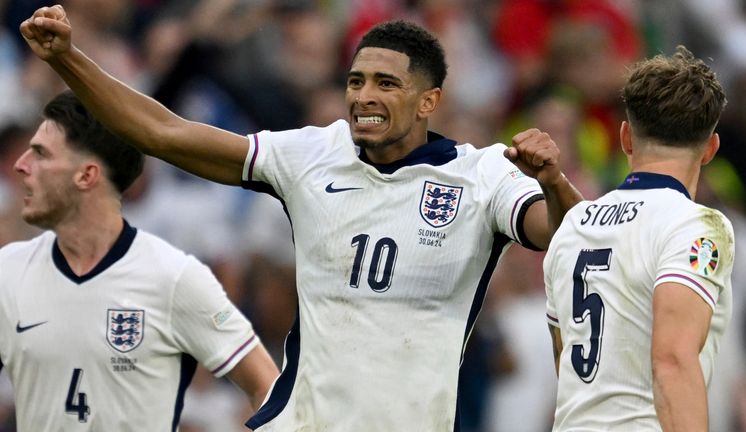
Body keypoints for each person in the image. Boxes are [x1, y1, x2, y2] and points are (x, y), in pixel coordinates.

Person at [20, 6, 583, 430]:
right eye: (356, 81)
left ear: (429, 101)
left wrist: (554, 183)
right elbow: (163, 133)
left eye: (386, 84)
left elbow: (560, 234)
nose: (364, 96)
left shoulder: (481, 175)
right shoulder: (313, 154)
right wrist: (67, 59)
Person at [0, 90, 279, 431]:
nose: (21, 165)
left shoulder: (174, 278)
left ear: (86, 175)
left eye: (40, 153)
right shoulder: (8, 271)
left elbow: (268, 388)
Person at [542, 45, 734, 430]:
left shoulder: (573, 224)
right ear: (710, 149)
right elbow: (672, 360)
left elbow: (565, 358)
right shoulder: (695, 225)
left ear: (626, 137)